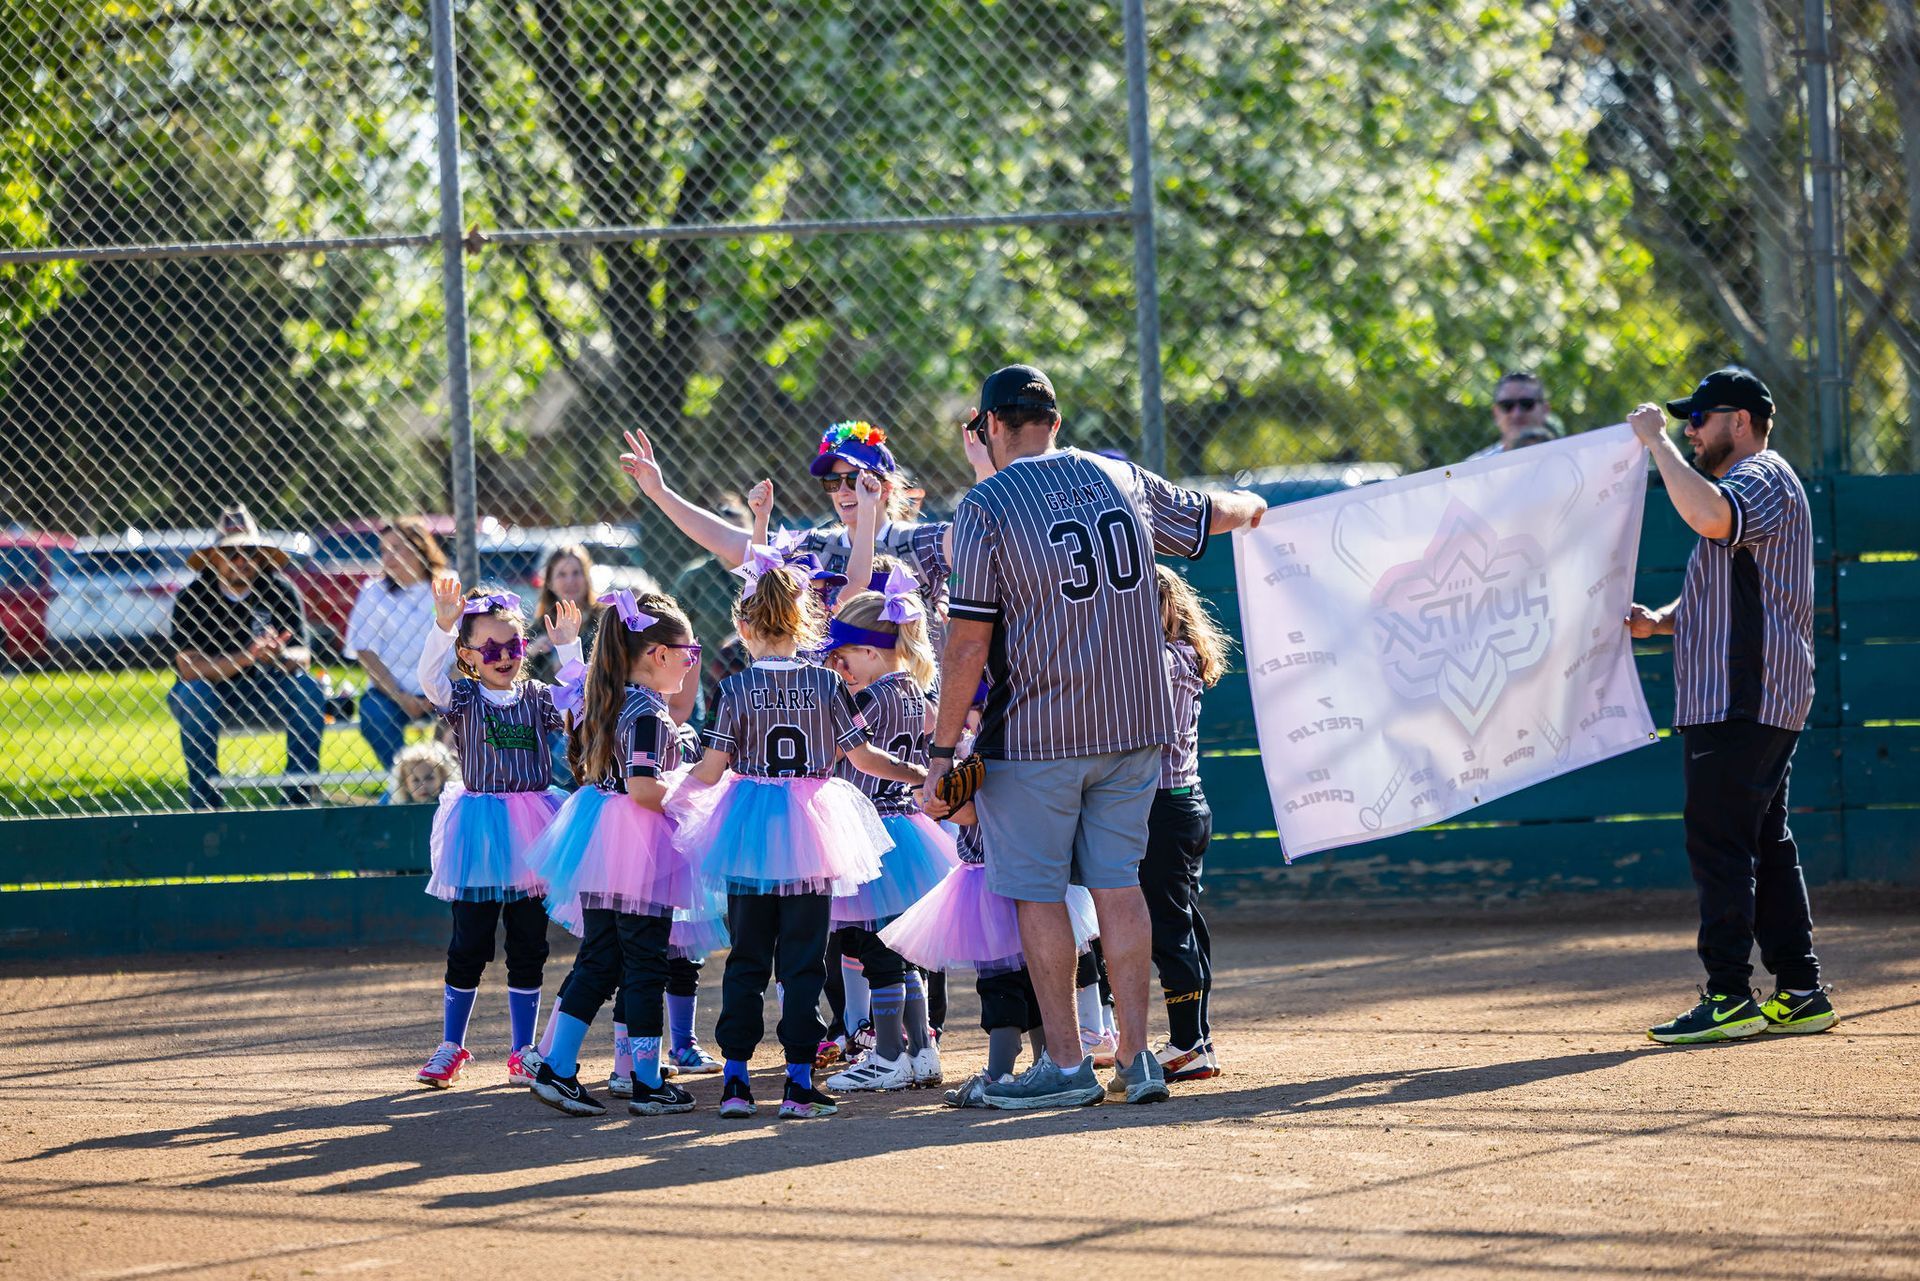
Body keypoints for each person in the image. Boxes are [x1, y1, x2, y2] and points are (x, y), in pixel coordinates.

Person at [921, 363, 1267, 1109]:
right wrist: (1256, 505)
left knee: (1037, 893)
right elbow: (1209, 512)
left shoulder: (987, 505)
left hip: (1040, 734)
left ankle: (1069, 1065)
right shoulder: (1119, 476)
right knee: (1120, 885)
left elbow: (967, 645)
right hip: (1137, 728)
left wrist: (943, 750)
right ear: (1055, 421)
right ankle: (1139, 1060)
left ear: (989, 427)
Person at [669, 562, 925, 1119]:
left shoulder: (734, 686)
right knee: (804, 961)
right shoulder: (826, 681)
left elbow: (710, 771)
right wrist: (919, 774)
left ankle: (736, 1081)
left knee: (747, 958)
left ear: (745, 624)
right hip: (812, 828)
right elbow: (863, 759)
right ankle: (798, 1083)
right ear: (803, 619)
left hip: (750, 830)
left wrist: (668, 800)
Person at [1625, 367, 1836, 1043]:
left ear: (1739, 421)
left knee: (1719, 843)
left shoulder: (1758, 478)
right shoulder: (1755, 483)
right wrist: (1661, 622)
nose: (1689, 429)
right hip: (1754, 693)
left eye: (1700, 418)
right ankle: (1800, 989)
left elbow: (1712, 516)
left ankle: (1728, 995)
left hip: (1742, 696)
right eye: (1683, 421)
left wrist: (1656, 444)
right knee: (1764, 843)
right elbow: (1733, 592)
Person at [523, 590, 703, 1118]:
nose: (690, 663)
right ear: (656, 654)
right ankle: (645, 1083)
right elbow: (645, 789)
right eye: (687, 653)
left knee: (602, 958)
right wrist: (699, 797)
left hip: (603, 839)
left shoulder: (612, 697)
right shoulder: (647, 711)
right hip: (636, 844)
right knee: (645, 962)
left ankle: (556, 1065)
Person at [882, 689, 1100, 1108]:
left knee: (1004, 981)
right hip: (1025, 879)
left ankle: (1003, 1071)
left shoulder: (987, 754)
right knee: (1034, 976)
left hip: (992, 882)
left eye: (975, 709)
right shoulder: (1025, 749)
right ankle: (1040, 1061)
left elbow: (968, 814)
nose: (969, 717)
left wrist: (934, 799)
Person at [412, 580, 580, 1090]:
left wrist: (571, 645)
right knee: (470, 941)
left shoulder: (536, 697)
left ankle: (522, 1049)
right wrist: (443, 625)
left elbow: (580, 707)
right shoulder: (462, 696)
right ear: (468, 656)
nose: (503, 657)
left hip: (532, 827)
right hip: (480, 833)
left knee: (528, 943)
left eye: (513, 647)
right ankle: (450, 1045)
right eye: (490, 649)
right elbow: (428, 680)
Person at [618, 417, 993, 625]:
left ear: (886, 485)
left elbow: (979, 537)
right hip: (837, 714)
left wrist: (982, 468)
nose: (844, 490)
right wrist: (660, 492)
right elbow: (731, 543)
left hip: (914, 711)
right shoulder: (816, 546)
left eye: (855, 478)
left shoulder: (920, 540)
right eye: (833, 481)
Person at [816, 572, 956, 1092]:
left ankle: (891, 1055)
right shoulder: (915, 694)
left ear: (874, 652)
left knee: (877, 950)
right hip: (904, 833)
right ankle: (922, 1052)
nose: (837, 665)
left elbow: (846, 755)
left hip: (876, 833)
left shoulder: (876, 698)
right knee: (899, 948)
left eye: (844, 654)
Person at [167, 506, 325, 810]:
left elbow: (302, 655)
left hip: (269, 688)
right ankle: (206, 803)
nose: (241, 561)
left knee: (309, 688)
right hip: (213, 695)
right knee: (194, 694)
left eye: (250, 553)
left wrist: (278, 654)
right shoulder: (193, 597)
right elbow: (188, 668)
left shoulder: (279, 590)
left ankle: (297, 799)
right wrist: (248, 656)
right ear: (214, 558)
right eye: (232, 554)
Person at [1144, 566, 1231, 1081]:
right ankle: (1193, 1039)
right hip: (1177, 804)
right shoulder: (1179, 656)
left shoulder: (1167, 659)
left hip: (1168, 807)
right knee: (1180, 920)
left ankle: (1187, 1042)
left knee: (1169, 925)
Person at [344, 517, 449, 772]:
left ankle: (442, 776)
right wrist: (401, 697)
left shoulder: (448, 586)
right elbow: (365, 652)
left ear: (418, 547)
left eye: (396, 548)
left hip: (445, 688)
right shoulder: (373, 592)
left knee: (465, 711)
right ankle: (405, 778)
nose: (388, 556)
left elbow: (465, 648)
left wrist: (440, 695)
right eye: (383, 550)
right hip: (391, 692)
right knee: (373, 713)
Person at [1470, 370, 1556, 459]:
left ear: (1545, 410)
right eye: (1507, 405)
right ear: (1496, 413)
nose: (1516, 414)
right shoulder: (1474, 468)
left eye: (1526, 404)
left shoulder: (1566, 457)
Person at [390, 740, 459, 804]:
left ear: (442, 777)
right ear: (405, 784)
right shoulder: (400, 811)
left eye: (429, 778)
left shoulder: (451, 807)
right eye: (416, 780)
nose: (423, 786)